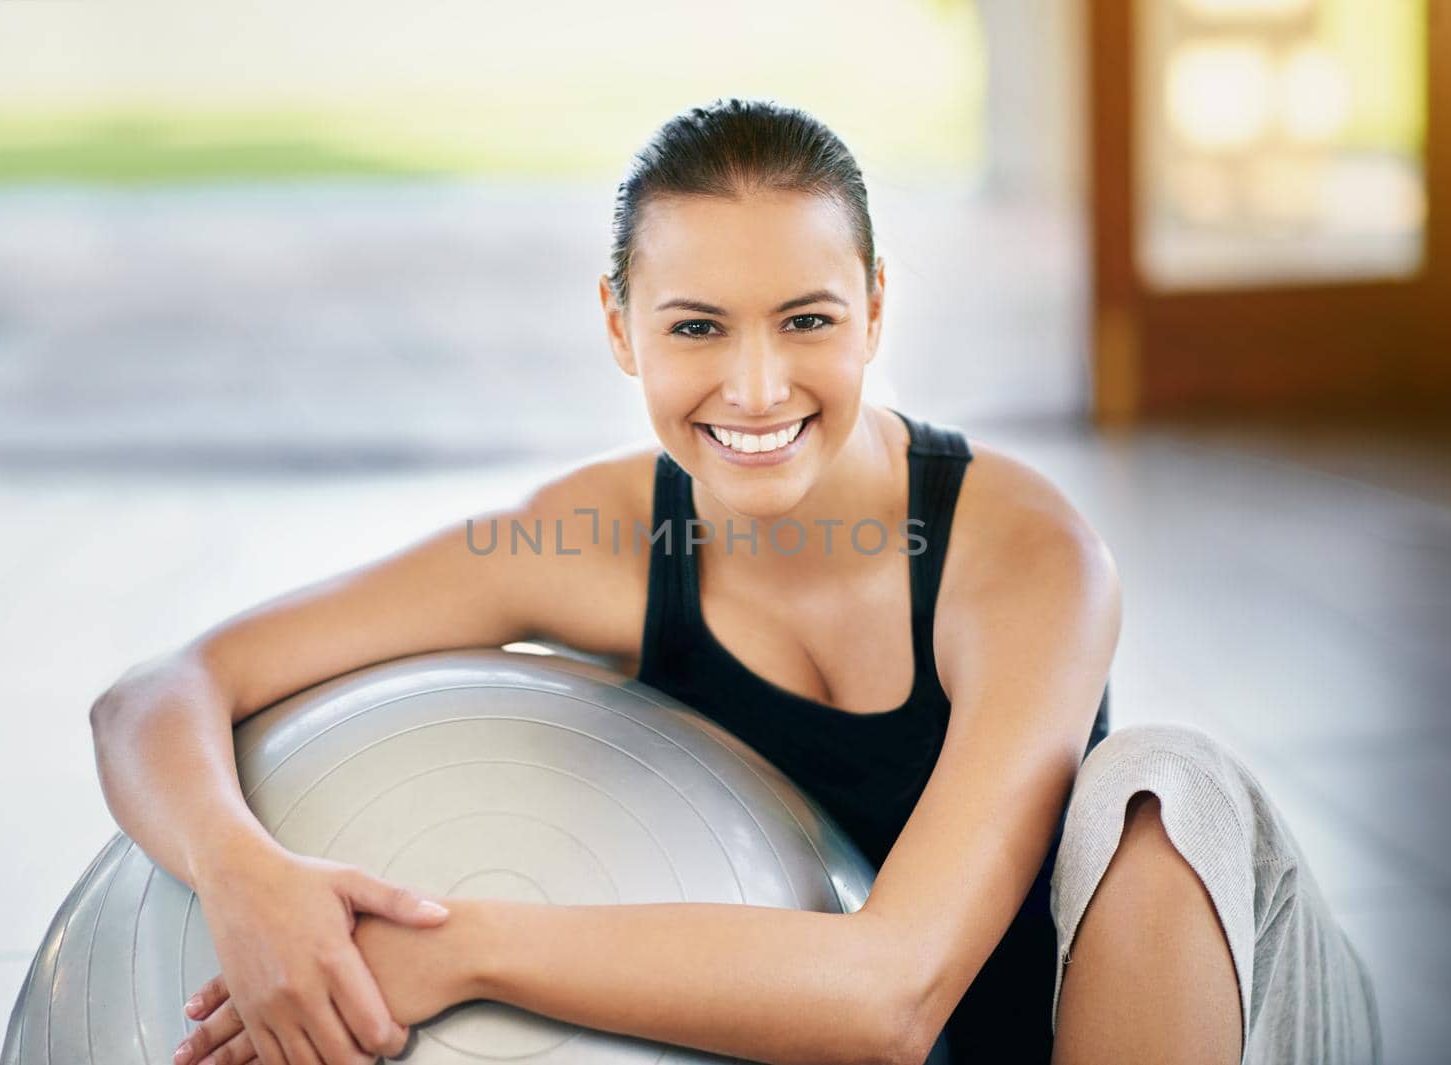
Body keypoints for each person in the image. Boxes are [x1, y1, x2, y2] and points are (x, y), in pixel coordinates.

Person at [91, 98, 1380, 1065]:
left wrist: (460, 949)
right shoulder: (584, 539)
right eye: (696, 327)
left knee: (1157, 784)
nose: (755, 390)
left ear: (874, 309)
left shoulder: (1024, 556)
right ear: (619, 327)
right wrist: (245, 875)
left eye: (807, 320)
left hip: (1195, 1022)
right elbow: (163, 691)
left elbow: (895, 992)